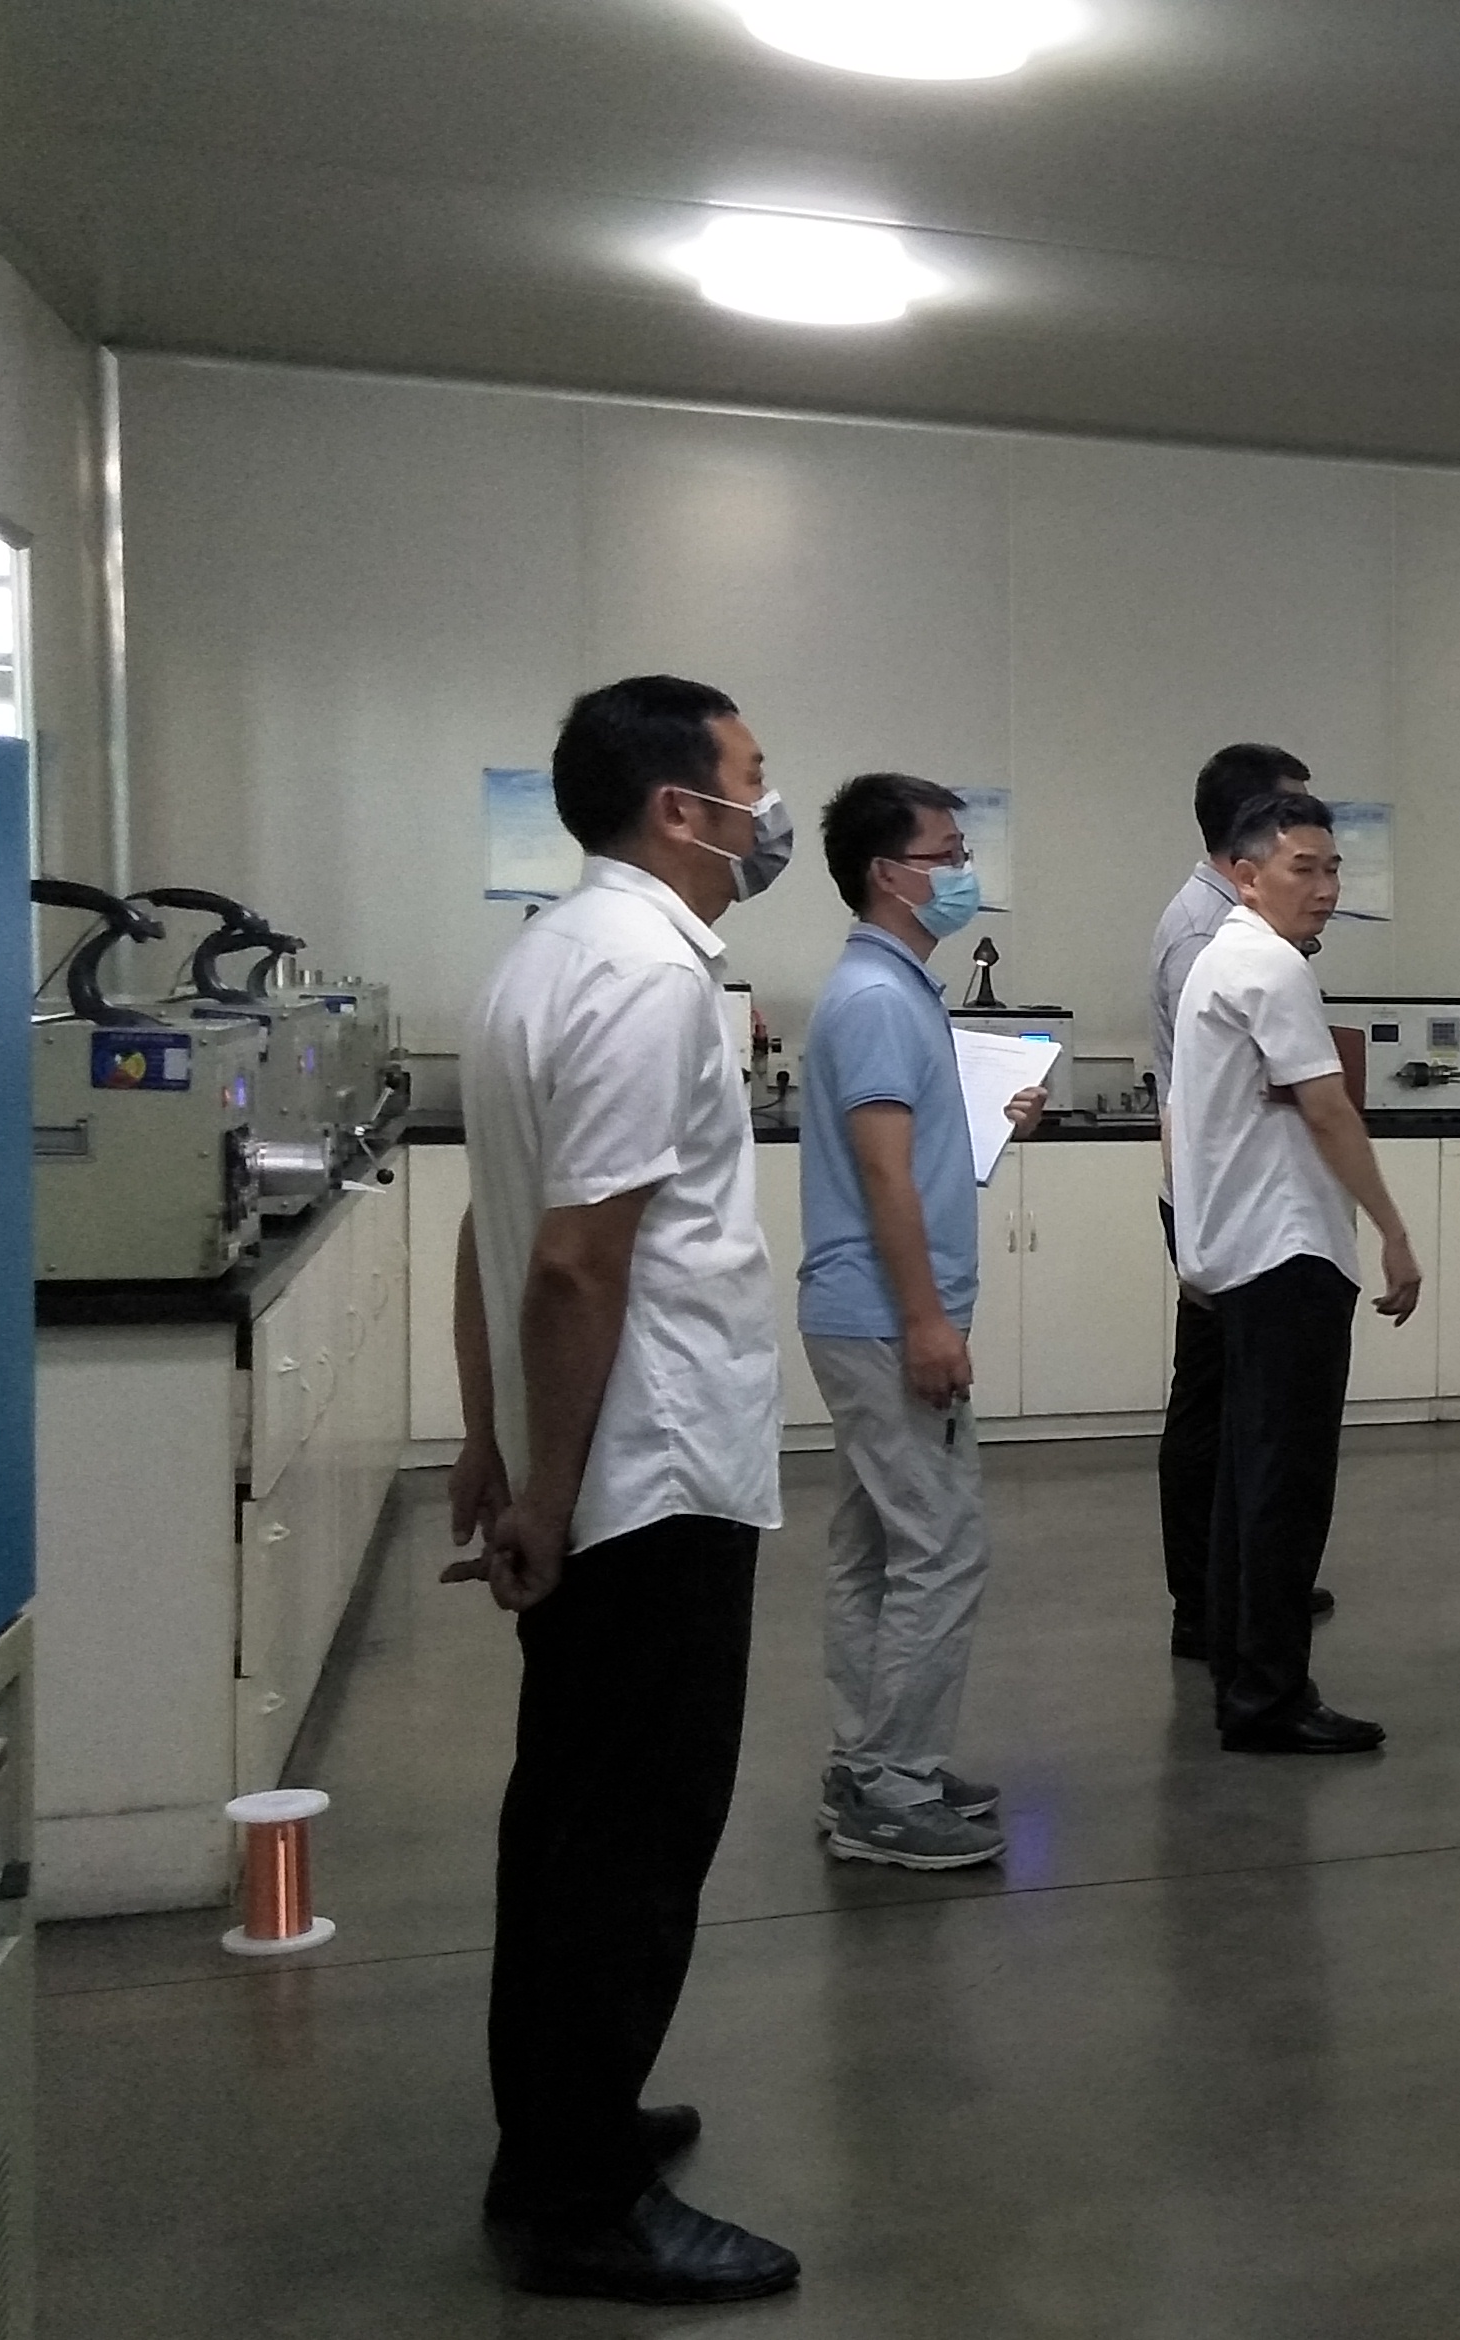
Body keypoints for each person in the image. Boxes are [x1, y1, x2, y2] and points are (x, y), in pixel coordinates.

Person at [442, 674, 801, 2303]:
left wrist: (492, 1438)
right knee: (632, 1850)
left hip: (591, 1465)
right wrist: (547, 1490)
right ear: (680, 807)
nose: (766, 808)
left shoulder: (543, 958)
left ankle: (562, 2127)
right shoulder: (653, 979)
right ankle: (578, 2202)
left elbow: (495, 1223)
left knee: (568, 1824)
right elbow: (575, 1262)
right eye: (751, 778)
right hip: (646, 1482)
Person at [794, 772, 1044, 1870]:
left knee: (877, 1546)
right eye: (947, 855)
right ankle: (889, 1785)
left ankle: (869, 1761)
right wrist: (928, 1322)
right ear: (888, 875)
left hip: (865, 1309)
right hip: (887, 1318)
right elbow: (885, 1176)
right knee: (942, 1548)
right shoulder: (878, 1001)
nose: (963, 873)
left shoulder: (892, 992)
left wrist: (986, 1123)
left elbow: (913, 1156)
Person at [1169, 793, 1423, 1752]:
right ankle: (1270, 1697)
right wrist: (1393, 1230)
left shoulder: (1218, 960)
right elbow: (1326, 1107)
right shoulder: (1271, 967)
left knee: (1249, 1480)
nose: (1324, 888)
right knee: (1286, 1485)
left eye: (1332, 869)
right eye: (1302, 869)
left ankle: (1245, 1676)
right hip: (1287, 1253)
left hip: (1239, 1253)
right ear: (1245, 875)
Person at [1150, 742, 1321, 1661]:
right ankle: (1206, 1599)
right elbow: (1209, 1090)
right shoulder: (1206, 936)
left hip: (1232, 1194)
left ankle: (1246, 1579)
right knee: (1217, 1406)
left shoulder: (1240, 925)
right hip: (1217, 1199)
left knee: (1246, 1405)